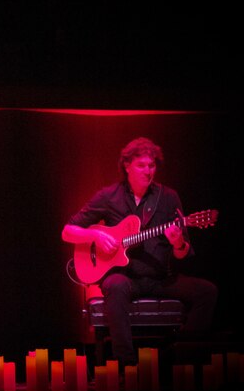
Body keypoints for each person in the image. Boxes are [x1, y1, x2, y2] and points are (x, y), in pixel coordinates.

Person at [61, 137, 218, 366]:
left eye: (152, 165)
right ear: (127, 166)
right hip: (126, 278)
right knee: (115, 285)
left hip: (161, 278)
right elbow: (67, 231)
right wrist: (96, 235)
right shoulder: (108, 196)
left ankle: (181, 356)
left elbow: (182, 253)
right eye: (141, 165)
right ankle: (128, 365)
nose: (148, 171)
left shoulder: (168, 198)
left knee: (207, 292)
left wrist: (177, 243)